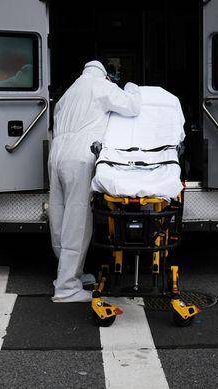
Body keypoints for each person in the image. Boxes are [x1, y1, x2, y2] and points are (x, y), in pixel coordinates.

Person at [48, 61, 142, 302]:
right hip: (79, 157)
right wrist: (131, 87)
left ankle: (68, 274)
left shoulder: (69, 92)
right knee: (77, 221)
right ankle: (67, 288)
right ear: (105, 75)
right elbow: (132, 106)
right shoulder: (101, 85)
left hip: (56, 155)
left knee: (59, 216)